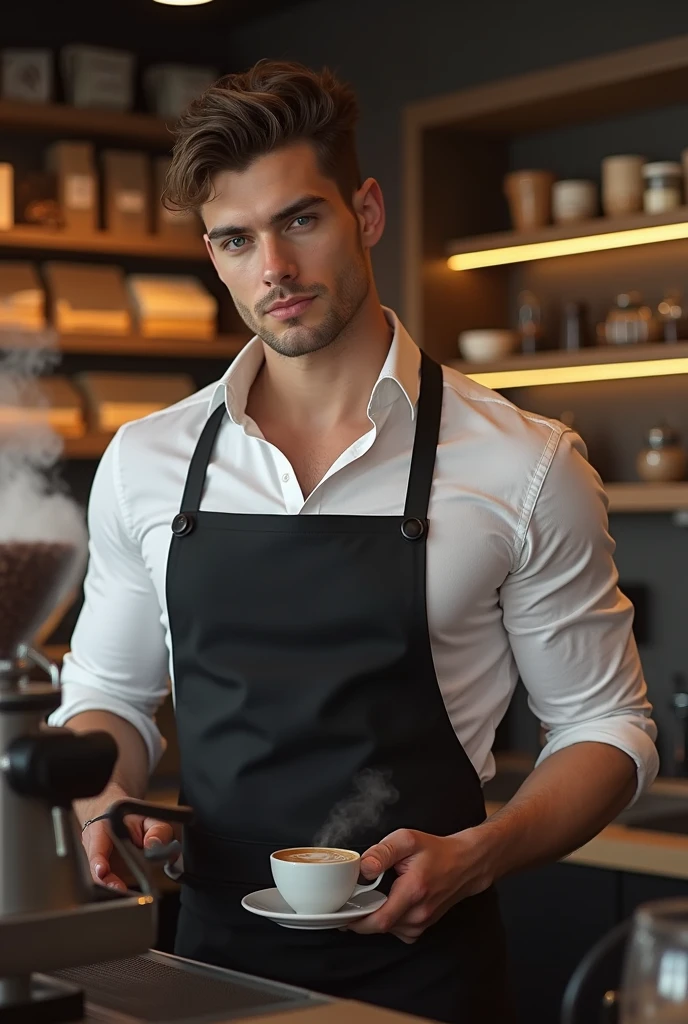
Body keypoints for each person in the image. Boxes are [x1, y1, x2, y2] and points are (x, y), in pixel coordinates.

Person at [50, 60, 658, 1024]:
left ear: (365, 212)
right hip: (207, 974)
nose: (274, 271)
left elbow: (607, 730)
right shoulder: (146, 461)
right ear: (213, 255)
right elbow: (109, 698)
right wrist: (104, 798)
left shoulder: (526, 465)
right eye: (236, 240)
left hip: (431, 975)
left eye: (301, 220)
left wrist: (480, 854)